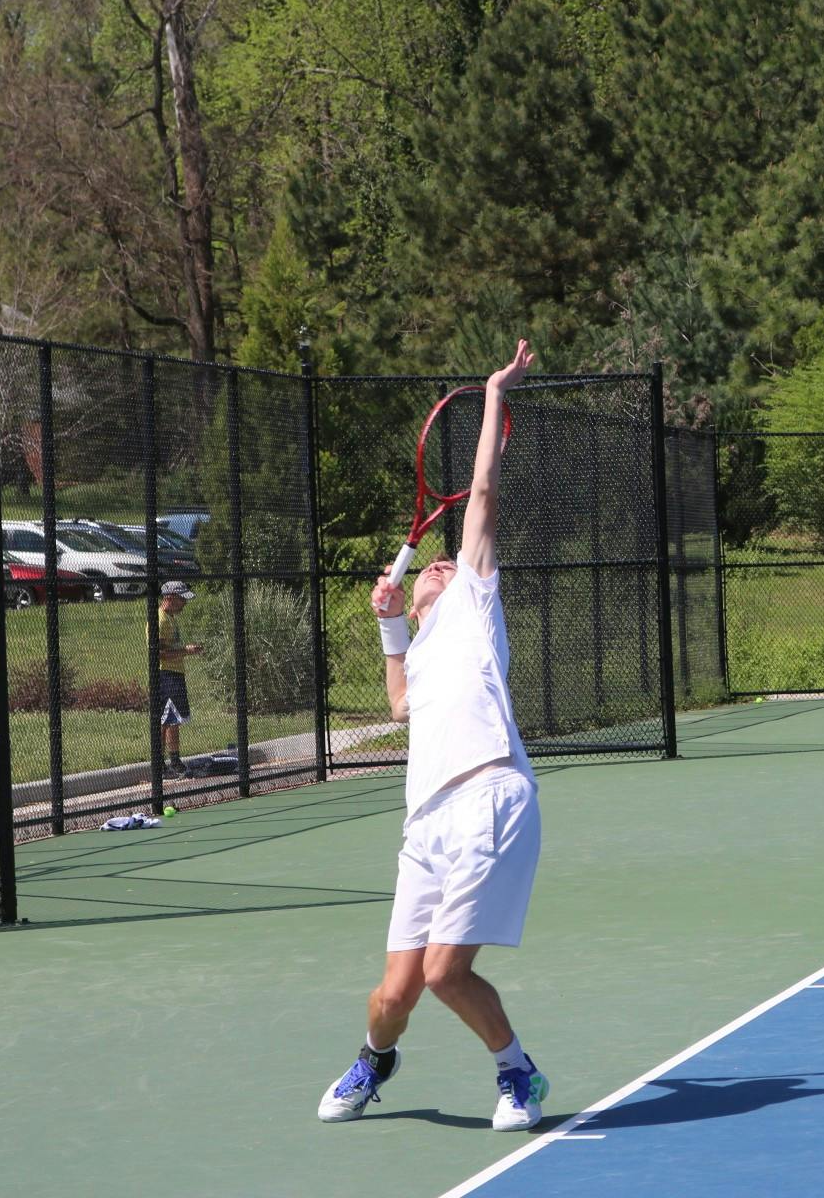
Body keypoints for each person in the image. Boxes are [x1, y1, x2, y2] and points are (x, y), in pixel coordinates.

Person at [318, 340, 548, 1133]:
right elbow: (399, 707)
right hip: (425, 825)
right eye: (434, 567)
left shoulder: (476, 607)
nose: (444, 563)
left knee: (449, 974)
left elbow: (481, 488)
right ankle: (375, 1061)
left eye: (452, 562)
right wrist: (387, 625)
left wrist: (492, 393)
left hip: (490, 795)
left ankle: (517, 1073)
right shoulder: (418, 635)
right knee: (394, 996)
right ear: (416, 596)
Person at [150, 580, 202, 779]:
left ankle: (174, 760)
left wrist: (185, 650)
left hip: (175, 674)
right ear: (170, 598)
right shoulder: (160, 620)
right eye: (182, 599)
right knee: (164, 719)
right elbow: (160, 653)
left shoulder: (170, 618)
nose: (184, 604)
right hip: (165, 675)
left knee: (174, 719)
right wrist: (186, 651)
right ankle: (159, 765)